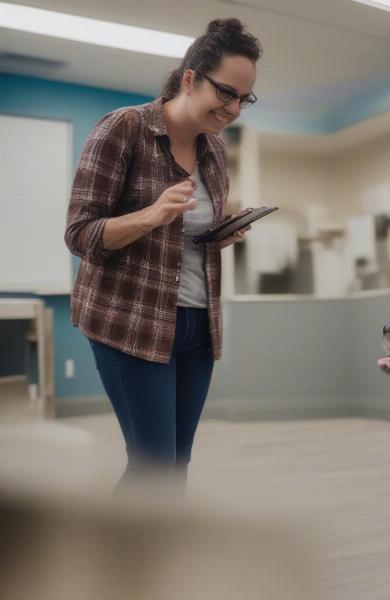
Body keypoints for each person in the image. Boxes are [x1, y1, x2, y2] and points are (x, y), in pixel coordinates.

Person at [65, 18, 262, 491]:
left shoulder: (215, 150)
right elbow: (79, 233)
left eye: (244, 98)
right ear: (190, 77)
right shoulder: (123, 129)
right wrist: (151, 215)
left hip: (196, 325)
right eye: (226, 92)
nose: (233, 108)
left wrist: (218, 234)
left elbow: (182, 240)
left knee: (176, 465)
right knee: (152, 465)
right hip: (131, 323)